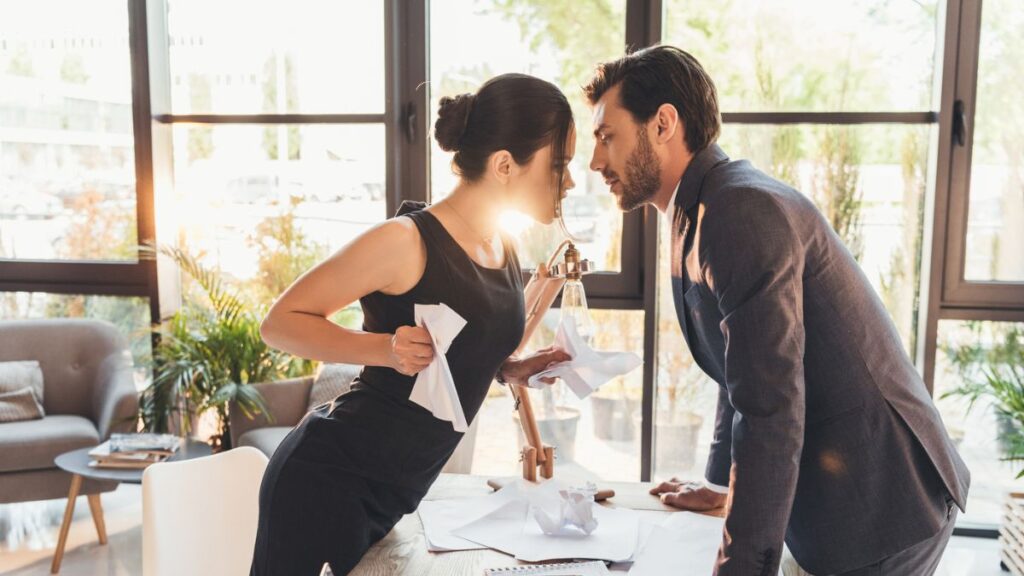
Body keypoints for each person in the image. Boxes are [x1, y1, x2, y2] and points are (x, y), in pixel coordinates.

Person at [584, 45, 970, 575]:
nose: (595, 161)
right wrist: (720, 486)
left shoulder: (739, 211)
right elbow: (738, 368)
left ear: (663, 124)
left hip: (881, 507)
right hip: (843, 499)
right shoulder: (701, 209)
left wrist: (740, 568)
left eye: (608, 138)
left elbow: (771, 411)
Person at [250, 72, 576, 576]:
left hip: (392, 492)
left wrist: (511, 369)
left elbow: (467, 349)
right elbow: (280, 324)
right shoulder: (406, 240)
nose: (570, 181)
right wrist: (384, 349)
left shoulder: (502, 246)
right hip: (326, 479)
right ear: (505, 164)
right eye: (560, 165)